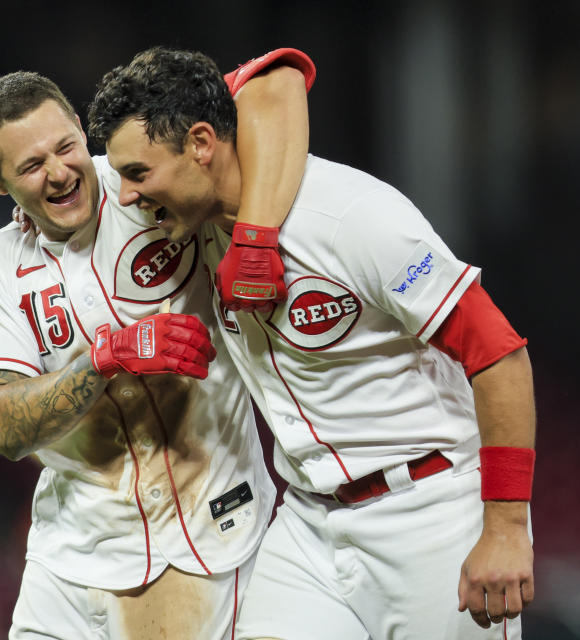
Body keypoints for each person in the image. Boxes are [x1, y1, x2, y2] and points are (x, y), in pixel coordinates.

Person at [88, 47, 536, 640]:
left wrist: (505, 526)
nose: (125, 195)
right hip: (306, 521)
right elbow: (262, 89)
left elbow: (499, 356)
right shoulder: (201, 228)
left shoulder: (350, 216)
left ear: (201, 143)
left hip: (427, 511)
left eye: (138, 173)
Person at [0, 49, 314, 639]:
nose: (58, 172)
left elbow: (276, 85)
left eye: (66, 147)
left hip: (205, 536)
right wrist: (103, 360)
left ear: (81, 127)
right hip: (69, 552)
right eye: (30, 166)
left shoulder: (152, 174)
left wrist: (252, 241)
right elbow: (4, 427)